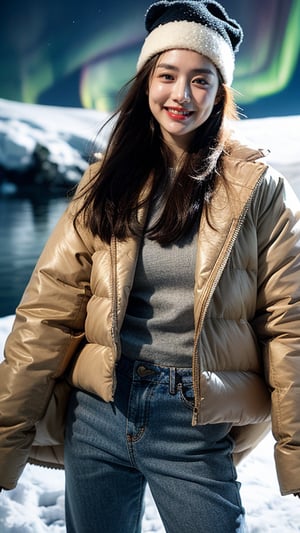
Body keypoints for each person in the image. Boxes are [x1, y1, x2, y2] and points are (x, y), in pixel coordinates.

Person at [0, 0, 300, 531]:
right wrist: (6, 434)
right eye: (167, 75)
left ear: (221, 91)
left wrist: (295, 452)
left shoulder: (258, 190)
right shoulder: (105, 181)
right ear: (146, 82)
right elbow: (46, 312)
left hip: (192, 414)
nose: (181, 95)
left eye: (200, 79)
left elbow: (290, 325)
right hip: (97, 411)